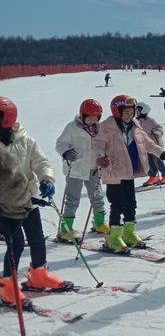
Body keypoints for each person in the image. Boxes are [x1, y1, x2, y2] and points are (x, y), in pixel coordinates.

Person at [0, 96, 67, 295]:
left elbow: (41, 162)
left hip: (29, 199)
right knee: (16, 243)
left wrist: (47, 179)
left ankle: (39, 274)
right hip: (5, 205)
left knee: (37, 239)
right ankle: (7, 285)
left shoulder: (26, 141)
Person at [96, 95, 165, 252]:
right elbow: (97, 144)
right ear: (117, 112)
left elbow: (148, 144)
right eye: (126, 113)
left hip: (129, 171)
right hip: (114, 172)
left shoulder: (135, 126)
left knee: (131, 204)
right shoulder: (107, 126)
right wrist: (99, 157)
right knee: (117, 204)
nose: (129, 116)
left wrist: (162, 153)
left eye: (132, 112)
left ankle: (129, 233)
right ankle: (114, 236)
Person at [54, 99, 109, 242]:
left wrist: (103, 157)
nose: (92, 121)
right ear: (82, 115)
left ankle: (100, 223)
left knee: (97, 196)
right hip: (76, 169)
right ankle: (66, 229)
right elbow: (60, 143)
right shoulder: (72, 127)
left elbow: (102, 146)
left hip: (93, 168)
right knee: (73, 199)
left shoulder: (100, 129)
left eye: (95, 118)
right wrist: (66, 152)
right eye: (89, 117)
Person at [0, 130, 36, 304]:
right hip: (7, 206)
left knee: (17, 243)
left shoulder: (21, 141)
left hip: (11, 206)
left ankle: (7, 285)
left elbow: (13, 180)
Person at [136, 102, 165, 186]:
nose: (136, 112)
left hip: (155, 144)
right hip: (146, 146)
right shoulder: (137, 122)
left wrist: (156, 133)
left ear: (143, 111)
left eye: (138, 110)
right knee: (150, 161)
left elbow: (159, 128)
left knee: (158, 160)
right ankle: (153, 176)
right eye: (136, 110)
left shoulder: (149, 120)